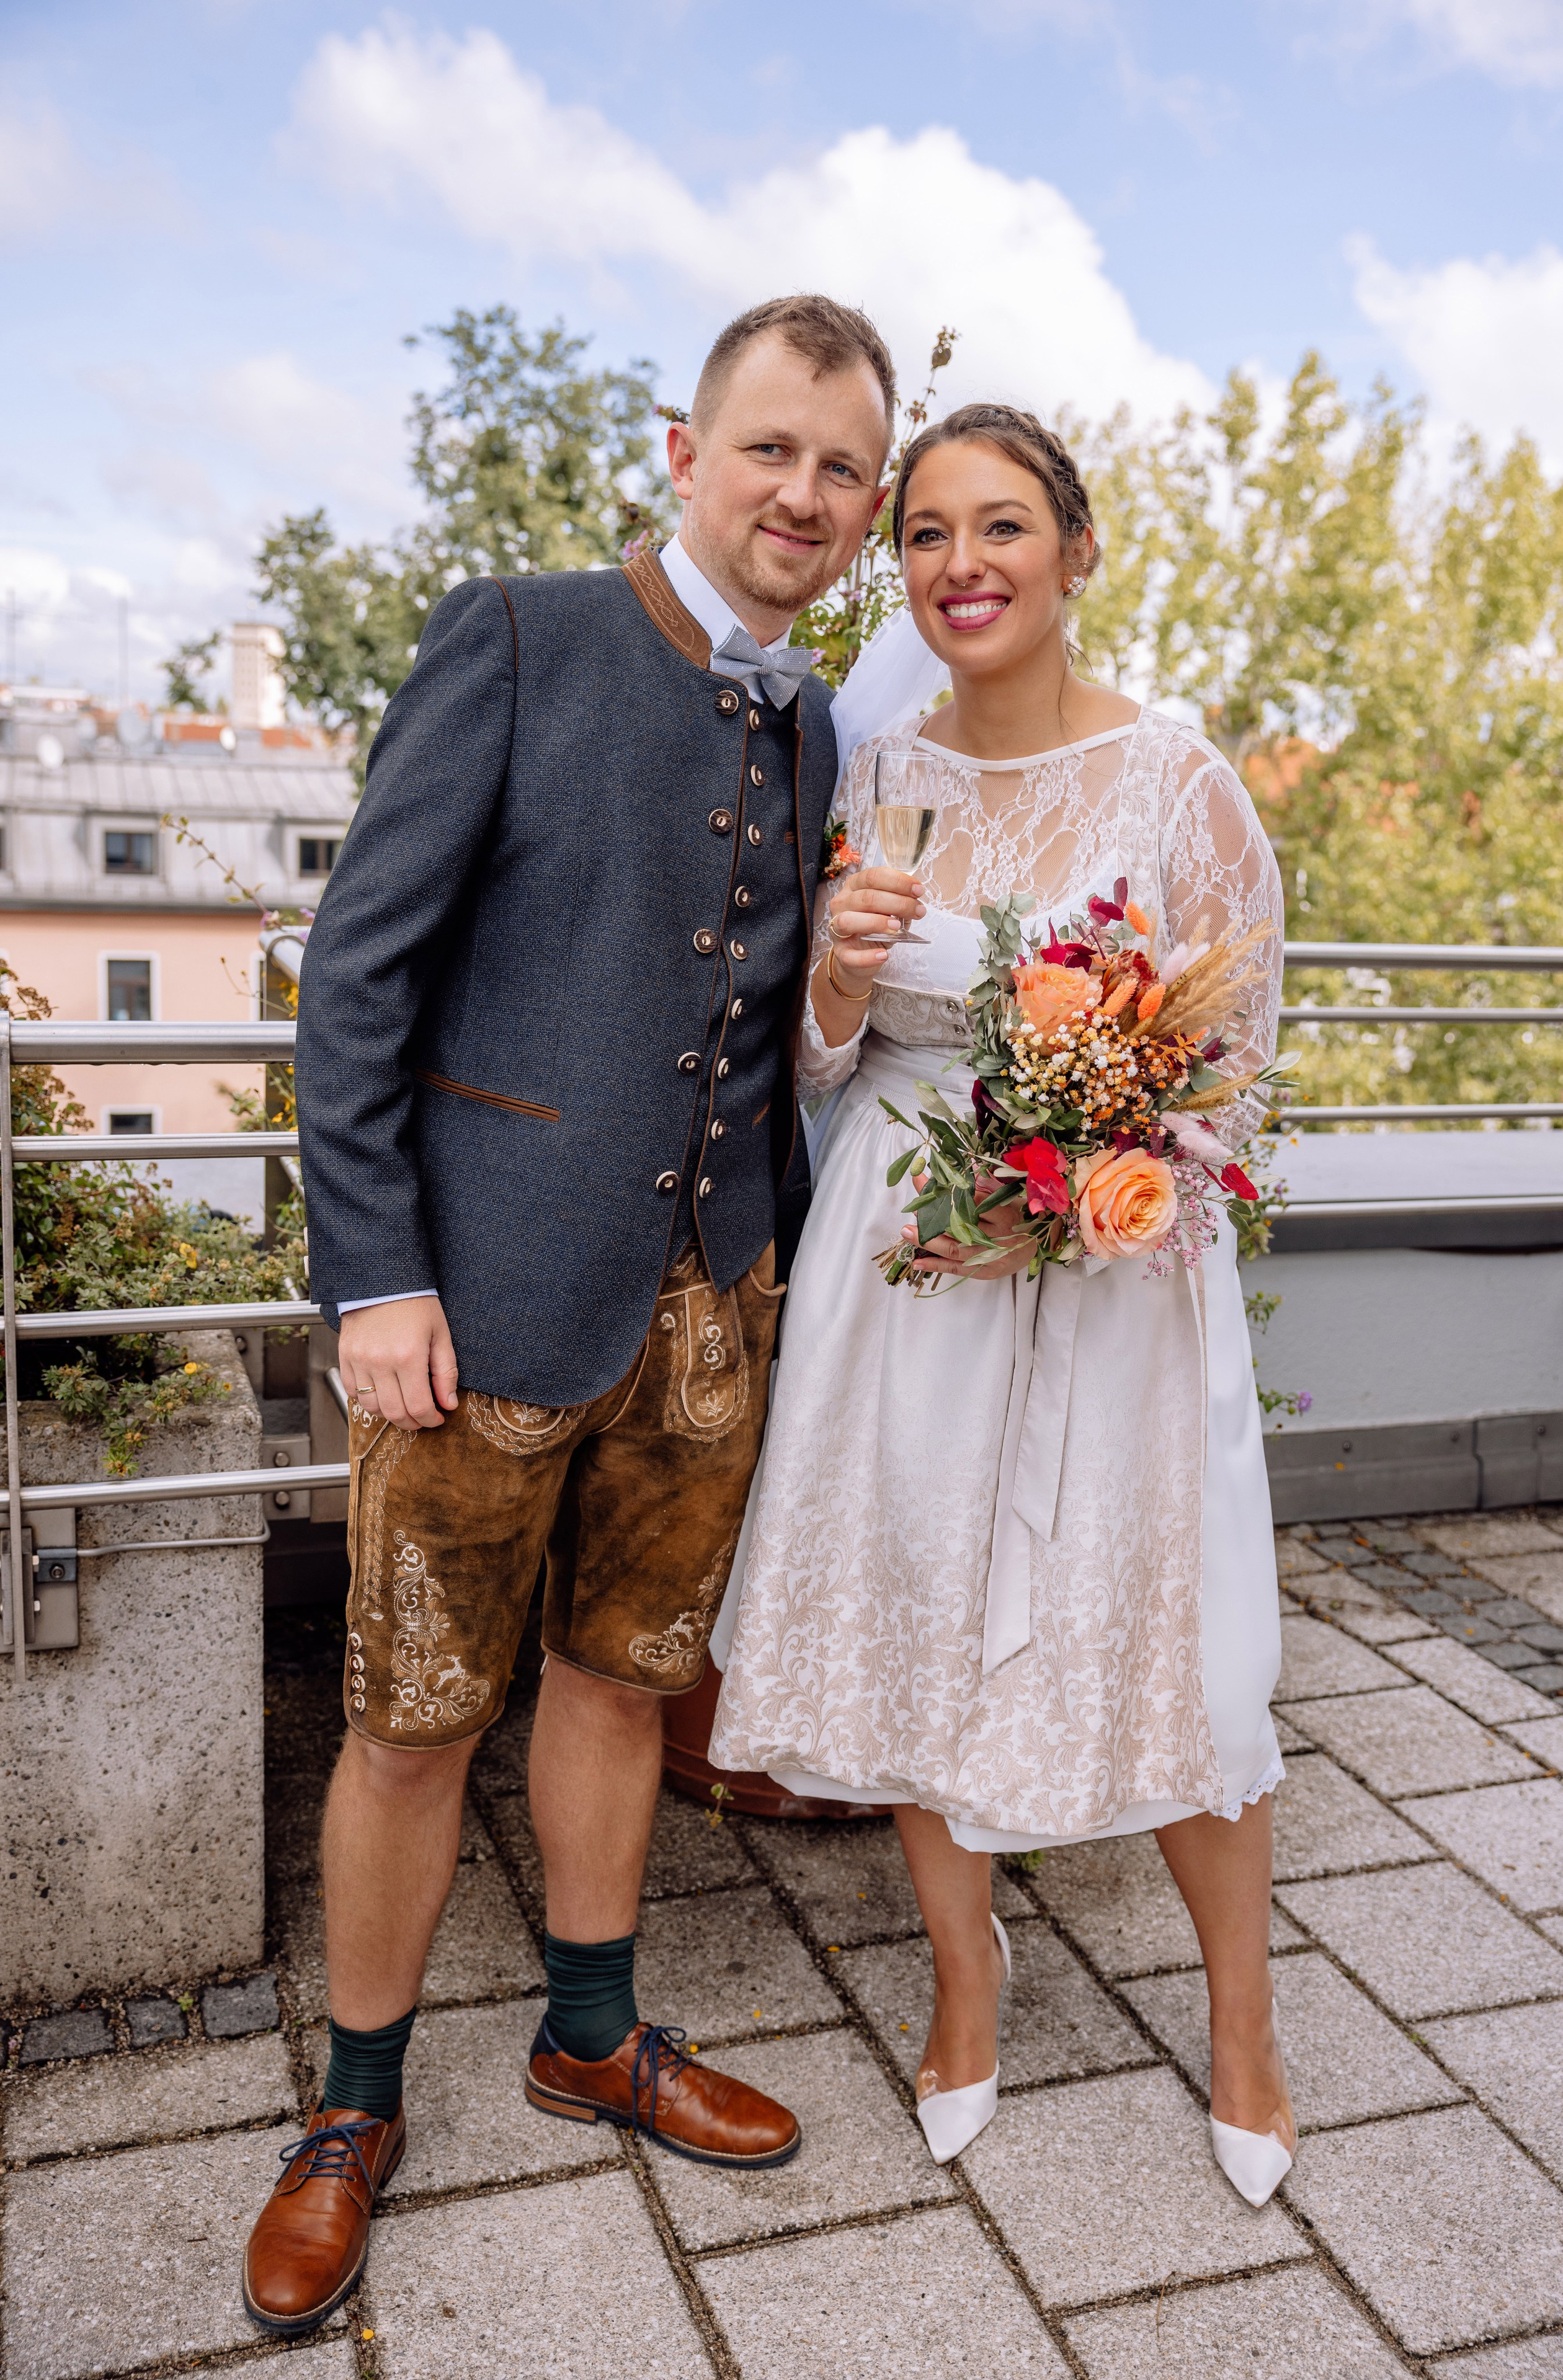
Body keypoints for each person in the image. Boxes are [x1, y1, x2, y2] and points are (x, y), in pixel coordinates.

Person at [241, 295, 897, 2336]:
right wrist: (375, 1272)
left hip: (713, 1303)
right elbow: (355, 981)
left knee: (626, 1679)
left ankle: (590, 2036)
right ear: (681, 450)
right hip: (478, 1305)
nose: (805, 494)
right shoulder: (516, 632)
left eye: (843, 469)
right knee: (413, 1719)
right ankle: (352, 2111)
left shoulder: (810, 719)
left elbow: (764, 1002)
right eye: (772, 449)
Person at [711, 404, 1296, 2205]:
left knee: (1168, 1638)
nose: (963, 566)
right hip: (901, 1280)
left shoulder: (1179, 783)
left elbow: (1238, 1083)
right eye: (931, 536)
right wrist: (825, 970)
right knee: (905, 1619)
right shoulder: (877, 774)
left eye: (1004, 528)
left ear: (1078, 549)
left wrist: (1061, 1216)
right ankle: (968, 1983)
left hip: (1105, 1284)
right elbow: (812, 1072)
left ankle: (1247, 2027)